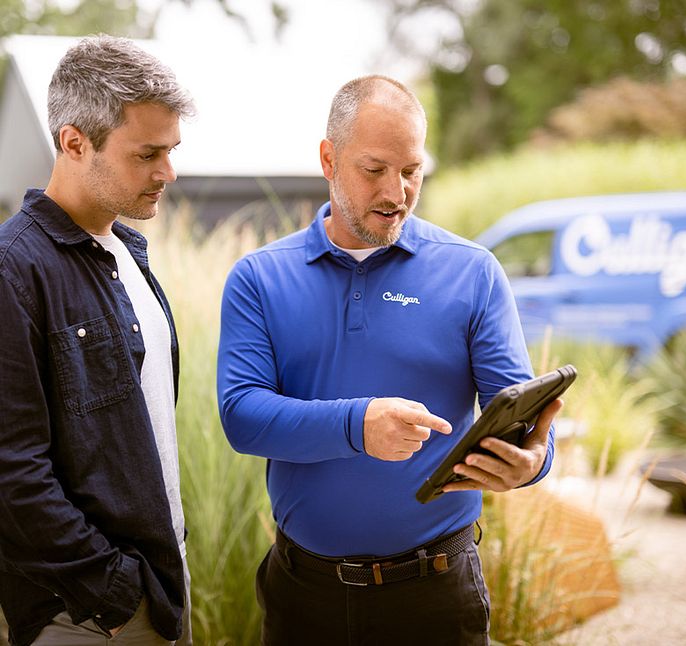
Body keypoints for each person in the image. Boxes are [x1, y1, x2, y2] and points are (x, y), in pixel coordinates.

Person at [217, 75, 562, 645]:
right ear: (329, 159)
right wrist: (358, 426)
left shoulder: (472, 272)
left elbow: (521, 419)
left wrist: (534, 464)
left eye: (412, 170)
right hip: (305, 597)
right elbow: (242, 416)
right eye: (374, 170)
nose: (396, 192)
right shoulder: (259, 278)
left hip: (436, 596)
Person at [0, 35, 196, 646]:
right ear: (74, 142)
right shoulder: (14, 270)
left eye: (172, 150)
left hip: (158, 585)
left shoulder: (125, 251)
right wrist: (112, 589)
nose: (168, 172)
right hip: (84, 613)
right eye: (147, 154)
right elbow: (12, 469)